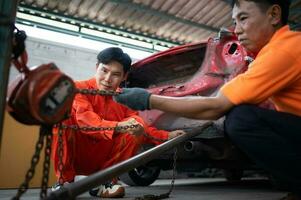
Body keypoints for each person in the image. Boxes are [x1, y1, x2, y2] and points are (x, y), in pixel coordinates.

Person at [114, 1, 301, 199]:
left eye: (243, 19)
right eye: (234, 22)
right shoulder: (283, 46)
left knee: (241, 119)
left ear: (273, 14)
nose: (236, 30)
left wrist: (149, 99)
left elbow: (216, 107)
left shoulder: (283, 51)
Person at [51, 47, 185, 198]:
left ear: (124, 77)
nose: (107, 79)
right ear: (97, 68)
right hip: (77, 154)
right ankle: (65, 181)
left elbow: (143, 129)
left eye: (115, 74)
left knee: (137, 122)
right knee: (62, 117)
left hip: (105, 160)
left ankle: (105, 181)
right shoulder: (78, 88)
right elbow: (85, 120)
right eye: (104, 71)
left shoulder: (124, 98)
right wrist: (119, 126)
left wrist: (166, 136)